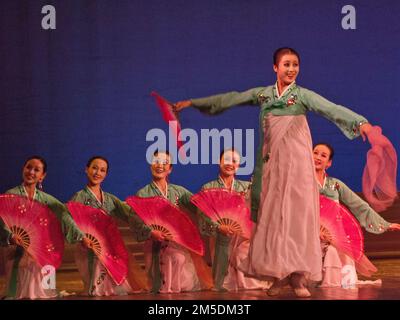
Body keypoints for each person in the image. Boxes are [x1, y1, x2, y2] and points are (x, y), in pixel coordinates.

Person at [175, 47, 373, 297]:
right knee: (275, 222)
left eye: (295, 65)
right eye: (286, 64)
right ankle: (279, 274)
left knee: (298, 222)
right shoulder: (264, 95)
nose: (291, 69)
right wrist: (194, 103)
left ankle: (299, 277)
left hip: (299, 171)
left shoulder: (302, 95)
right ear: (275, 68)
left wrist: (360, 123)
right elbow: (232, 98)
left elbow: (330, 108)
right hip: (273, 169)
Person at [313, 143, 400, 288]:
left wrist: (385, 224)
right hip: (309, 236)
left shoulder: (335, 185)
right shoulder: (301, 184)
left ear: (329, 163)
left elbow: (359, 205)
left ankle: (337, 286)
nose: (317, 157)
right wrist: (316, 231)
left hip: (334, 237)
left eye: (323, 155)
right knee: (332, 254)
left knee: (343, 253)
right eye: (315, 153)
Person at [0, 156, 84, 299]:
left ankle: (50, 290)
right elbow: (2, 219)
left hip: (39, 245)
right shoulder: (11, 195)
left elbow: (64, 213)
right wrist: (10, 236)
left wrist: (81, 236)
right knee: (18, 290)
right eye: (28, 167)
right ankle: (15, 293)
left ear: (42, 176)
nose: (31, 172)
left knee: (48, 260)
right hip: (17, 244)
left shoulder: (46, 199)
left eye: (36, 170)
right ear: (23, 169)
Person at [70, 156, 151, 296]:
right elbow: (70, 221)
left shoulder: (110, 199)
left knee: (115, 287)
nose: (97, 173)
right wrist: (82, 237)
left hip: (109, 245)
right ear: (87, 169)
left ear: (106, 174)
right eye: (94, 168)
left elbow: (129, 215)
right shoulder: (79, 197)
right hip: (89, 246)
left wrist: (148, 224)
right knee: (95, 286)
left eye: (102, 170)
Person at [134, 151, 212, 293]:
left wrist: (210, 204)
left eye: (165, 163)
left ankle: (174, 289)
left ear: (170, 169)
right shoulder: (143, 193)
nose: (160, 166)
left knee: (178, 258)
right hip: (154, 241)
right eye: (157, 161)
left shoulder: (177, 191)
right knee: (158, 277)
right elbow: (136, 219)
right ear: (151, 165)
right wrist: (151, 232)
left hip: (174, 240)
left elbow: (198, 206)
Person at [198, 149, 270, 291]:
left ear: (238, 165)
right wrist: (219, 227)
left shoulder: (246, 187)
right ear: (219, 162)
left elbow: (256, 209)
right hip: (219, 235)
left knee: (243, 253)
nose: (230, 164)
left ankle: (249, 286)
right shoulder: (208, 188)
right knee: (223, 281)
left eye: (234, 161)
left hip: (242, 236)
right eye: (226, 160)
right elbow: (203, 215)